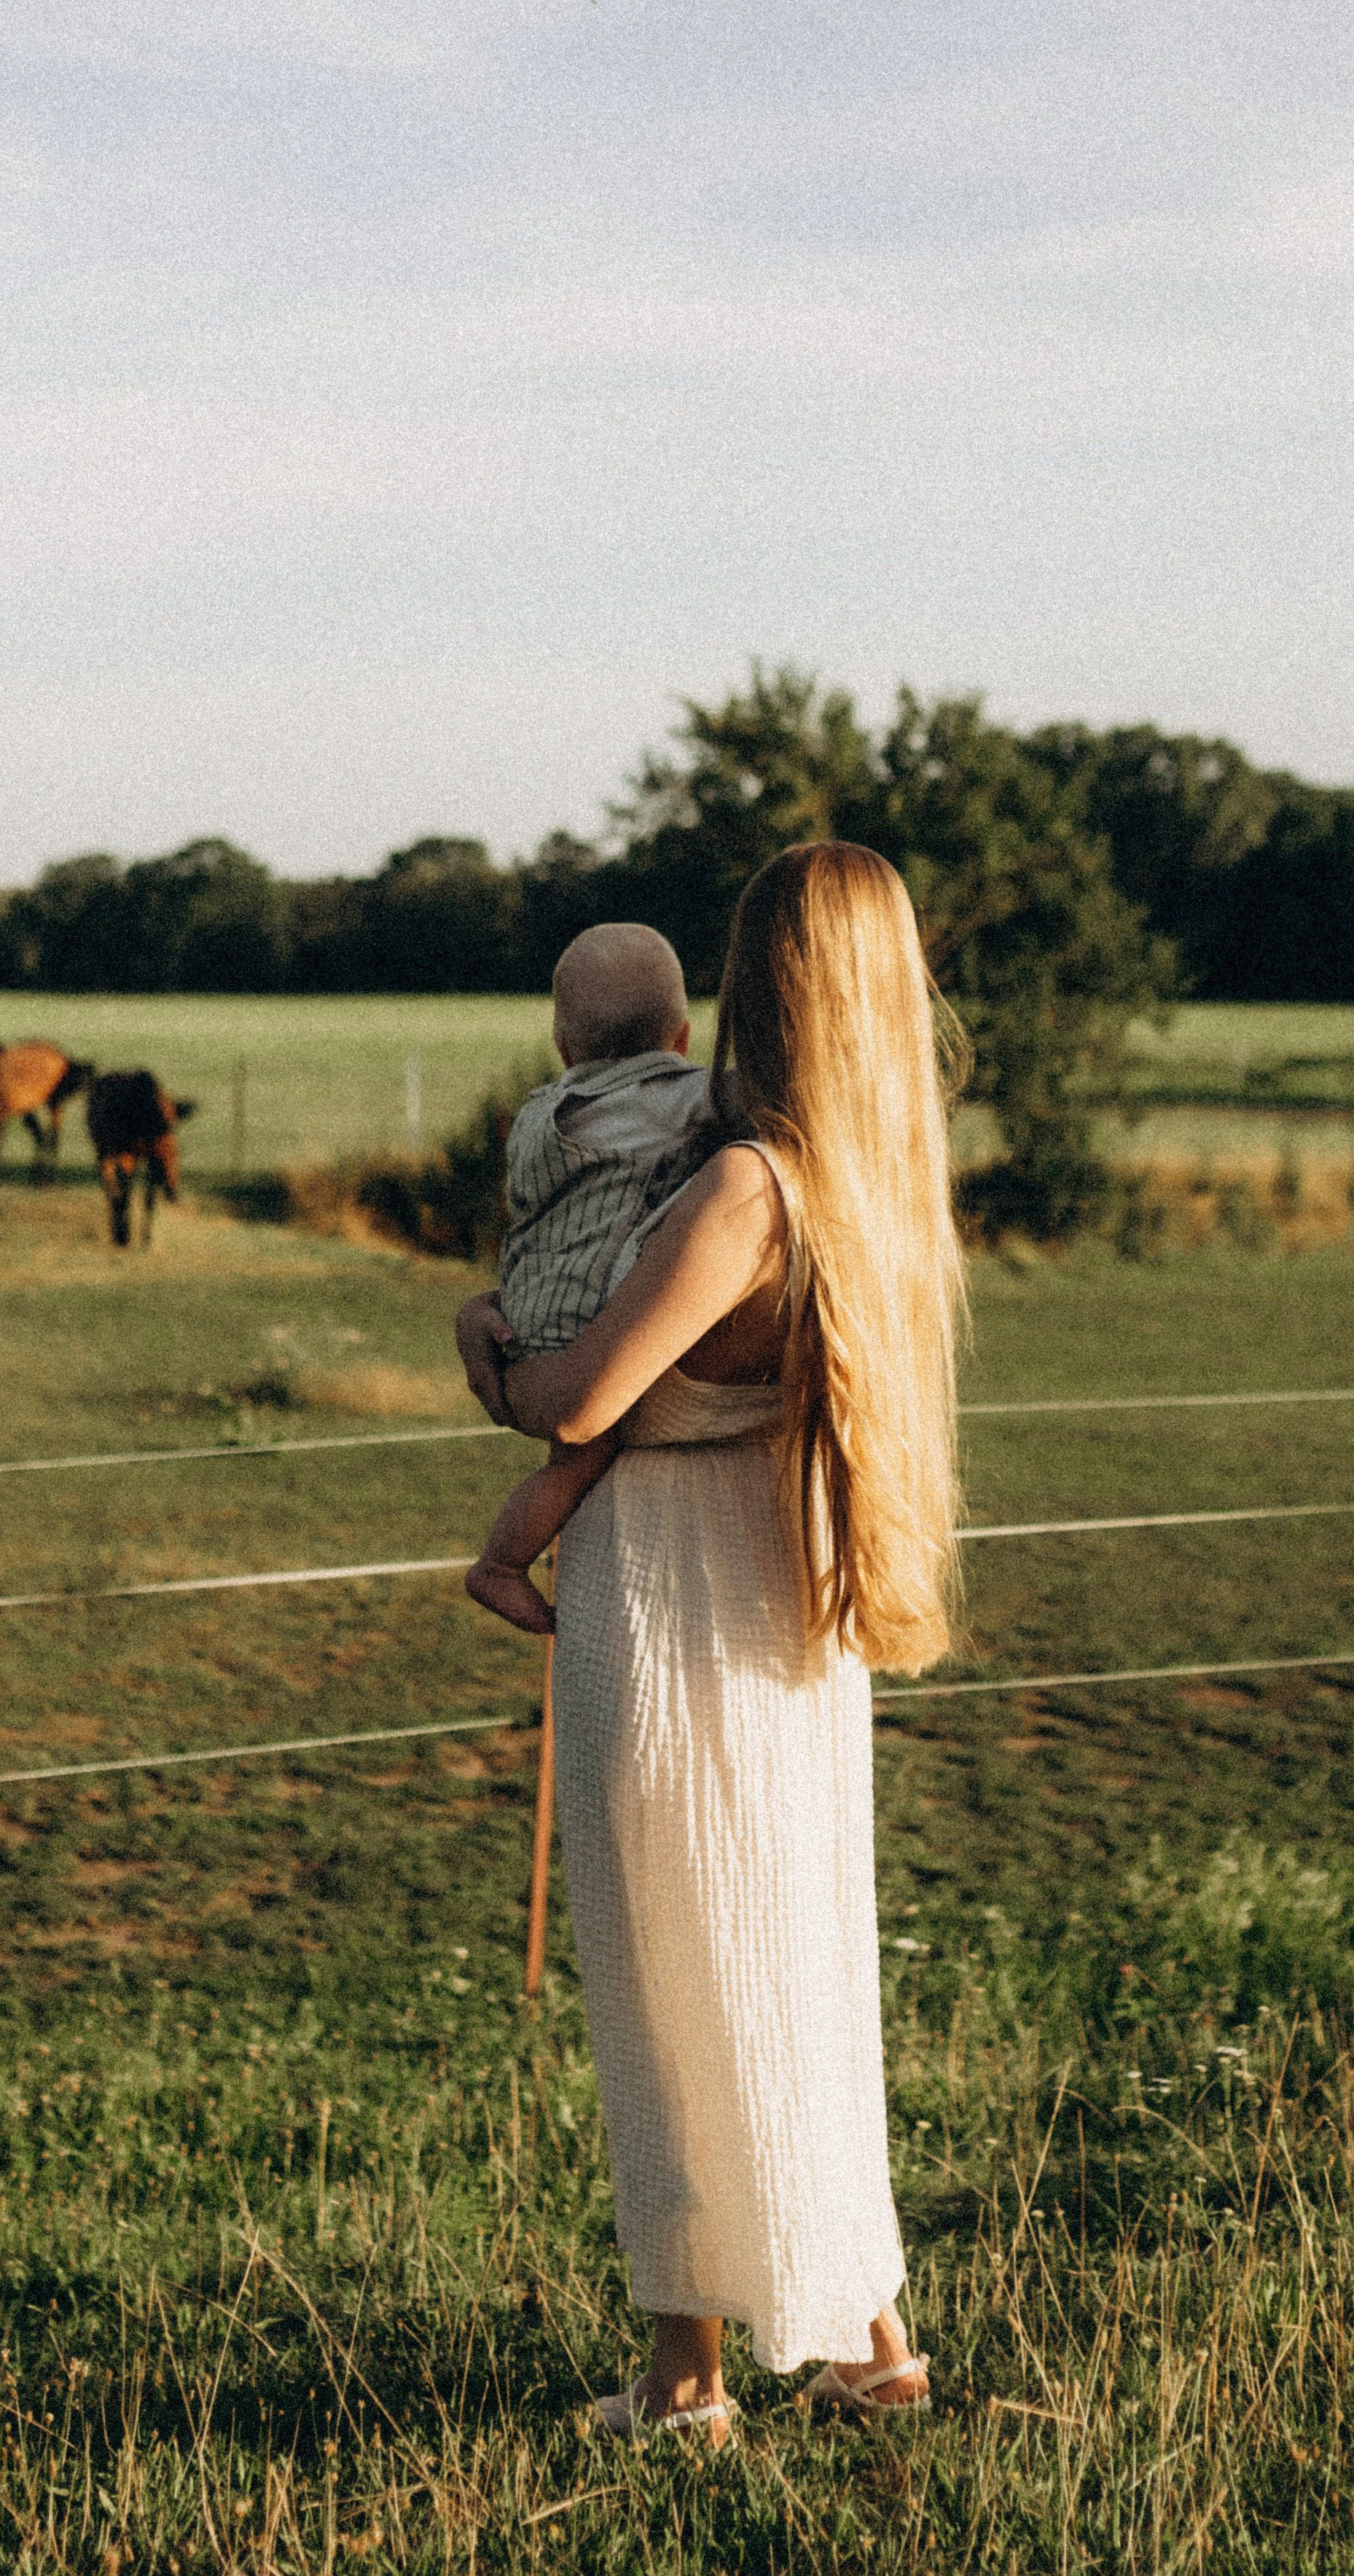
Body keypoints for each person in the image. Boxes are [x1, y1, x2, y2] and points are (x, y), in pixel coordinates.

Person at [455, 842, 966, 2443]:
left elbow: (582, 1392)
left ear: (757, 984)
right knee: (782, 1957)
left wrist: (489, 1351)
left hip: (671, 1588)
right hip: (778, 1588)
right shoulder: (866, 1176)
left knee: (674, 1973)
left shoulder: (741, 1186)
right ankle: (866, 2347)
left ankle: (685, 2382)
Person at [465, 922, 719, 1637]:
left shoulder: (536, 1116)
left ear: (563, 1046)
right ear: (681, 1038)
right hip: (593, 1311)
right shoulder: (685, 1098)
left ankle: (506, 1560)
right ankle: (500, 1563)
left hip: (526, 1307)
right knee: (583, 1453)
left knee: (565, 1456)